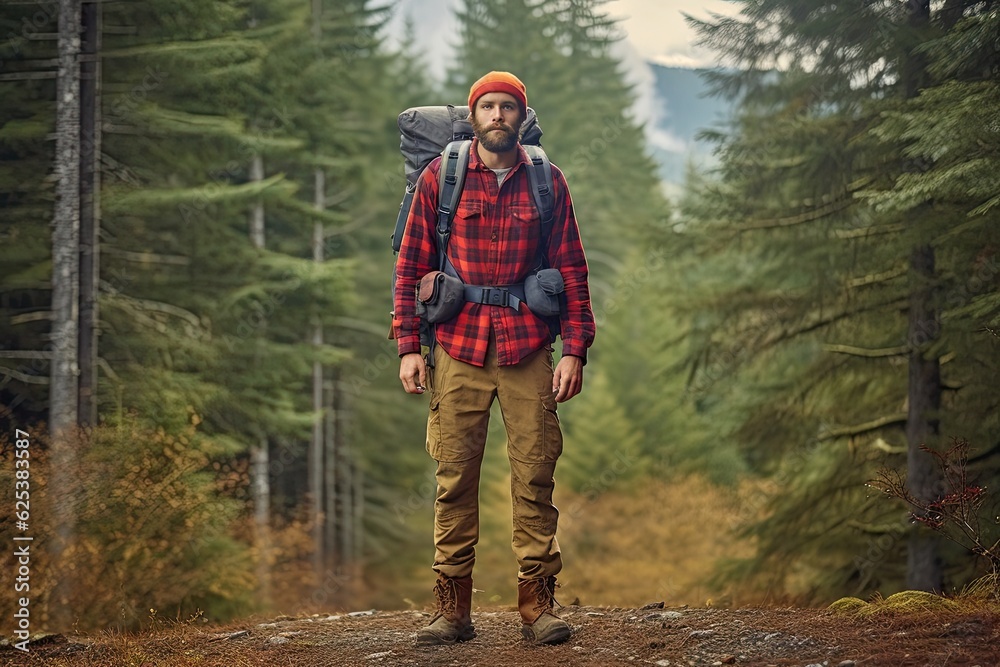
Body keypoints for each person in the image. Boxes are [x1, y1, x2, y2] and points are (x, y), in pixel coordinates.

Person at [393, 71, 596, 646]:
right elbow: (411, 263)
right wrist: (410, 344)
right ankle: (451, 609)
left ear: (521, 117)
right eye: (489, 107)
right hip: (457, 348)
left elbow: (573, 269)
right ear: (475, 115)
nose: (498, 116)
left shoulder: (547, 182)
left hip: (529, 347)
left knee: (535, 474)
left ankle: (537, 605)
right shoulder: (444, 176)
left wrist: (575, 349)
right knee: (454, 476)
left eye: (508, 107)